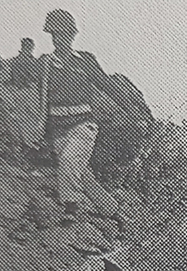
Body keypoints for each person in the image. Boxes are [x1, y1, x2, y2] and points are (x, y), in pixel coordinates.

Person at [37, 9, 139, 226]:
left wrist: (130, 109)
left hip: (84, 125)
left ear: (72, 35)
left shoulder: (85, 61)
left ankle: (70, 208)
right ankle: (114, 212)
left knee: (69, 162)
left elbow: (107, 85)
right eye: (56, 34)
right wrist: (43, 133)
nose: (60, 39)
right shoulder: (45, 63)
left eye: (64, 34)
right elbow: (42, 99)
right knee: (81, 174)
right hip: (58, 128)